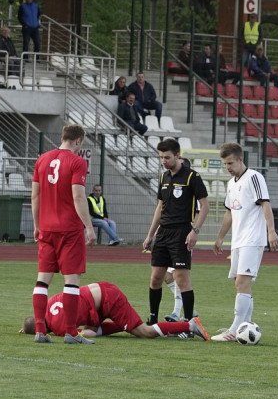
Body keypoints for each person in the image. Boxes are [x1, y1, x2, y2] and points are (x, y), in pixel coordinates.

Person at [30, 124, 96, 344]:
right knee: (72, 280)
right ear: (78, 141)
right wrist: (89, 226)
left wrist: (37, 224)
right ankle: (70, 332)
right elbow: (78, 197)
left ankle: (40, 331)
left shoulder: (42, 159)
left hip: (46, 228)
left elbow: (35, 196)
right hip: (69, 229)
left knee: (43, 280)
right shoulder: (78, 162)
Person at [211, 142, 278, 342]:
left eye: (230, 163)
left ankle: (234, 329)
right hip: (238, 240)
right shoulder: (232, 183)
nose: (227, 167)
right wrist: (221, 236)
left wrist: (271, 231)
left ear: (241, 159)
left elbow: (265, 204)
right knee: (239, 284)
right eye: (225, 164)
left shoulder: (255, 177)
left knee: (242, 282)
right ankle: (245, 324)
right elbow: (229, 213)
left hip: (253, 239)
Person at [143, 138, 209, 325]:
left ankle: (189, 323)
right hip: (163, 233)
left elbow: (205, 206)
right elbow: (160, 207)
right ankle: (153, 320)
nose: (163, 161)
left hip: (182, 232)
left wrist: (195, 230)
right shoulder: (163, 177)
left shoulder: (191, 177)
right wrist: (150, 235)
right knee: (156, 277)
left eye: (167, 157)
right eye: (161, 157)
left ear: (177, 155)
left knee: (181, 278)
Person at [20, 281, 208, 341]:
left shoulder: (59, 328)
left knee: (145, 333)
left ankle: (189, 325)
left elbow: (87, 334)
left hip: (107, 300)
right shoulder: (50, 304)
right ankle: (127, 326)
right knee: (92, 326)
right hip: (98, 293)